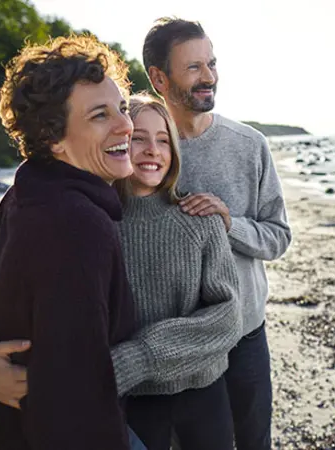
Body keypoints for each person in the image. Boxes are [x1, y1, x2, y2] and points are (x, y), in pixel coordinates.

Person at [0, 35, 138, 449]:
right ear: (54, 137)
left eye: (123, 108)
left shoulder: (27, 188)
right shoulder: (78, 225)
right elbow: (76, 400)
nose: (126, 125)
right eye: (99, 115)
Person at [142, 17, 292, 449]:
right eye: (193, 68)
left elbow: (278, 236)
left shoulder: (250, 145)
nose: (209, 77)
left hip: (245, 336)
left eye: (211, 63)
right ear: (159, 78)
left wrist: (230, 224)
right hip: (176, 343)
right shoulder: (142, 152)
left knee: (252, 442)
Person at [111, 93, 242, 449]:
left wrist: (139, 356)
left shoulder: (199, 219)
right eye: (138, 138)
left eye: (163, 140)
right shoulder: (98, 224)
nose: (152, 149)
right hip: (134, 398)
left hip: (203, 389)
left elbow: (228, 315)